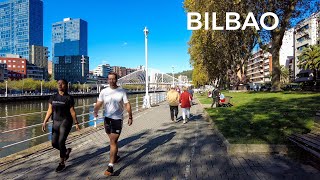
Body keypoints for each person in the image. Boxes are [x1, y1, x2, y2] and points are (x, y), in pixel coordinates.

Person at [93, 72, 133, 176]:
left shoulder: (122, 91)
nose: (111, 81)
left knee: (113, 141)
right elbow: (99, 102)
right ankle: (115, 156)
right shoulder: (104, 91)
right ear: (108, 80)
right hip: (106, 119)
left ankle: (110, 166)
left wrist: (130, 116)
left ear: (116, 80)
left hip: (117, 119)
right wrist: (95, 111)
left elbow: (127, 104)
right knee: (112, 141)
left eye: (113, 79)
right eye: (109, 79)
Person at [42, 79, 80, 173]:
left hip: (66, 121)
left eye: (62, 84)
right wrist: (45, 121)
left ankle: (62, 163)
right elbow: (50, 110)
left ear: (66, 86)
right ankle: (66, 151)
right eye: (58, 84)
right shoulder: (53, 97)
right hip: (55, 122)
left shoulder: (69, 98)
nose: (60, 85)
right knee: (54, 144)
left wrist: (76, 123)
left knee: (61, 141)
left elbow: (72, 111)